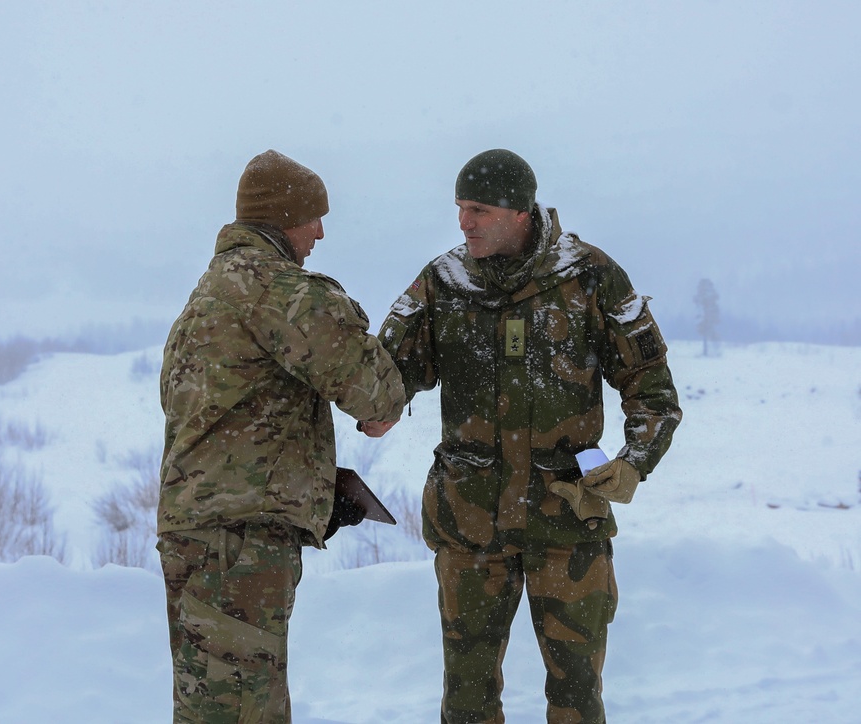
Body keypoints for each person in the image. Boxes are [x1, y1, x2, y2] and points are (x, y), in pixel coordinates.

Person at [363, 149, 682, 723]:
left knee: (577, 699)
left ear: (520, 213)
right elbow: (382, 381)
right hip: (470, 527)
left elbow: (653, 391)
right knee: (467, 701)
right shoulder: (441, 283)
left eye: (479, 209)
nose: (464, 222)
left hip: (566, 522)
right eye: (460, 208)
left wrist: (635, 461)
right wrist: (361, 387)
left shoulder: (590, 277)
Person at [157, 149, 405, 723]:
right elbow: (375, 393)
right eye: (312, 217)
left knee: (213, 706)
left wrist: (305, 483)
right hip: (238, 543)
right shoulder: (274, 287)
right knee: (246, 709)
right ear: (281, 217)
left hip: (200, 534)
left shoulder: (210, 293)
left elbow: (231, 420)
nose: (319, 232)